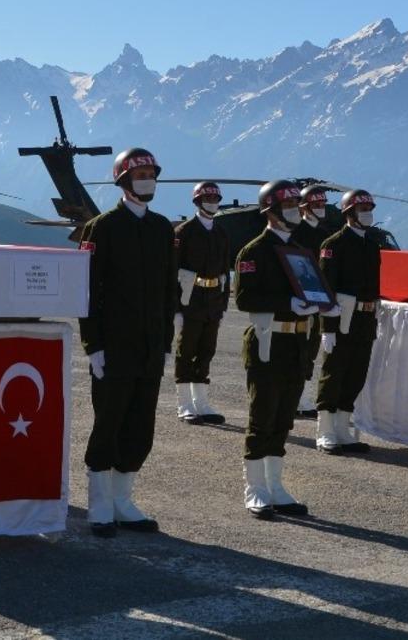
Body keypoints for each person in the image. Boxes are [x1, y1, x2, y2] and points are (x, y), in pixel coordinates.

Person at [78, 147, 175, 537]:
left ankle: (122, 502)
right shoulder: (102, 227)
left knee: (140, 427)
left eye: (151, 175)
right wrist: (93, 345)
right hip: (114, 346)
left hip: (150, 346)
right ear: (123, 181)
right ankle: (100, 506)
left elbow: (168, 289)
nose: (147, 181)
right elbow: (86, 290)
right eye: (140, 175)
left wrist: (166, 341)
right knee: (109, 422)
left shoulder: (162, 228)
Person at [235, 179, 319, 520]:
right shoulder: (254, 251)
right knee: (263, 417)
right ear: (270, 211)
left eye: (295, 205)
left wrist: (321, 304)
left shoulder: (300, 250)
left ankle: (276, 487)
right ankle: (255, 488)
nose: (294, 211)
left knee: (284, 418)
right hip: (268, 342)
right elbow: (244, 299)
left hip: (296, 343)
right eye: (287, 206)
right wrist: (286, 303)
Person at [315, 189, 380, 456]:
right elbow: (326, 289)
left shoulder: (372, 245)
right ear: (349, 213)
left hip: (365, 319)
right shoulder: (334, 245)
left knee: (355, 375)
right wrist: (328, 328)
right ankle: (325, 431)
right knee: (334, 374)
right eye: (363, 210)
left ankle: (343, 430)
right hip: (341, 319)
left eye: (369, 209)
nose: (368, 214)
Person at [173, 181, 230, 426]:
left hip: (213, 300)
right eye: (207, 199)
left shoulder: (221, 233)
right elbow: (172, 270)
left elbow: (225, 271)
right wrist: (176, 308)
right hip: (190, 299)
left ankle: (202, 403)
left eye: (215, 199)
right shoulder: (184, 232)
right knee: (186, 351)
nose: (212, 203)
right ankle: (185, 404)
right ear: (197, 202)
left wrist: (223, 304)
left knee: (207, 351)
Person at [293, 184, 332, 419]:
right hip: (301, 299)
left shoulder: (325, 234)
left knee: (311, 349)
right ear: (304, 207)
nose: (320, 207)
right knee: (297, 349)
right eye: (316, 204)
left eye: (322, 204)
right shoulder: (296, 233)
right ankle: (295, 397)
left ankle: (303, 397)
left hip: (319, 299)